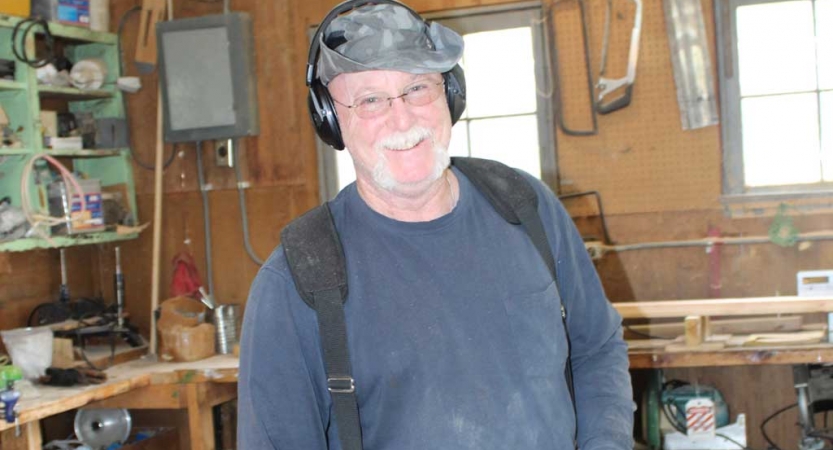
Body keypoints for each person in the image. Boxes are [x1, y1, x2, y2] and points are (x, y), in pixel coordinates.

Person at [238, 1, 634, 449]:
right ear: (331, 120)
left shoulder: (526, 207)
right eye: (370, 101)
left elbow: (596, 349)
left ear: (450, 94)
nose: (403, 119)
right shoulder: (300, 278)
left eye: (417, 89)